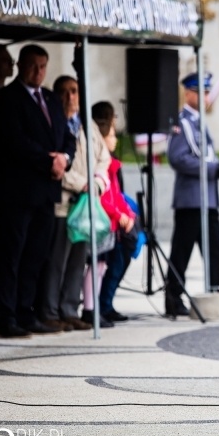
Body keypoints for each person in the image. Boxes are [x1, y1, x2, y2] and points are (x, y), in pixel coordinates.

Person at [0, 44, 76, 338]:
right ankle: (6, 316)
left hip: (46, 192)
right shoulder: (6, 99)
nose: (38, 72)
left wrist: (65, 158)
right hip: (17, 192)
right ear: (21, 65)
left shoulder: (50, 98)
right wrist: (49, 160)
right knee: (11, 255)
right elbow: (14, 141)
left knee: (36, 255)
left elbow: (67, 137)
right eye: (33, 66)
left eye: (43, 66)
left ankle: (27, 312)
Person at [164, 72, 219, 317]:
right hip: (191, 199)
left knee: (215, 249)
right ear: (188, 93)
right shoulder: (183, 122)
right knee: (182, 251)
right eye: (201, 91)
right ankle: (173, 298)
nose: (206, 96)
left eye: (207, 91)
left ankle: (218, 294)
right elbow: (177, 158)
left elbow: (205, 156)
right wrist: (213, 169)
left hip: (206, 198)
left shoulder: (199, 121)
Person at [36, 76, 110, 332]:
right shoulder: (54, 123)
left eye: (74, 91)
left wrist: (97, 183)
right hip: (63, 202)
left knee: (79, 260)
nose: (70, 97)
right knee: (57, 260)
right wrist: (82, 183)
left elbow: (104, 159)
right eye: (64, 92)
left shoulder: (86, 124)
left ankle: (69, 309)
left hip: (86, 205)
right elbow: (55, 163)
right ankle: (50, 310)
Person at [81, 118, 135, 328]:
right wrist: (118, 214)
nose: (115, 140)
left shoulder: (111, 165)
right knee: (95, 265)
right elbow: (104, 198)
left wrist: (127, 213)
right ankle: (89, 308)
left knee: (101, 266)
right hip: (103, 222)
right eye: (112, 135)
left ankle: (94, 307)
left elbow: (117, 195)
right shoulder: (103, 166)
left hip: (110, 223)